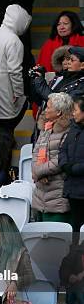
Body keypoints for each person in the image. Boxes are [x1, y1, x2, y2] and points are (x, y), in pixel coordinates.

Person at [32, 92, 73, 222]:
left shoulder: (69, 132)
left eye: (49, 107)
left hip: (58, 196)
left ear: (59, 112)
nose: (45, 110)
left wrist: (39, 171)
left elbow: (61, 159)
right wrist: (36, 170)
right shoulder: (46, 129)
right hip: (40, 196)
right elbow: (35, 152)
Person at [0, 4, 32, 132]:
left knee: (3, 123)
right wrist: (18, 92)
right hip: (6, 86)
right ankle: (4, 148)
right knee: (7, 124)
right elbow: (15, 71)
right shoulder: (14, 41)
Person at [30, 46, 84, 128]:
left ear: (82, 65)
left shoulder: (82, 84)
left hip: (64, 129)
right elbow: (40, 101)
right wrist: (35, 79)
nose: (68, 62)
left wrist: (40, 81)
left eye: (72, 60)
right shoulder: (59, 78)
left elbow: (57, 102)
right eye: (66, 59)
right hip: (46, 125)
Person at [60, 96, 84, 233]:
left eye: (75, 110)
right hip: (72, 189)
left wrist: (73, 169)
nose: (73, 113)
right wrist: (65, 165)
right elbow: (62, 150)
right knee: (75, 226)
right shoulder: (73, 129)